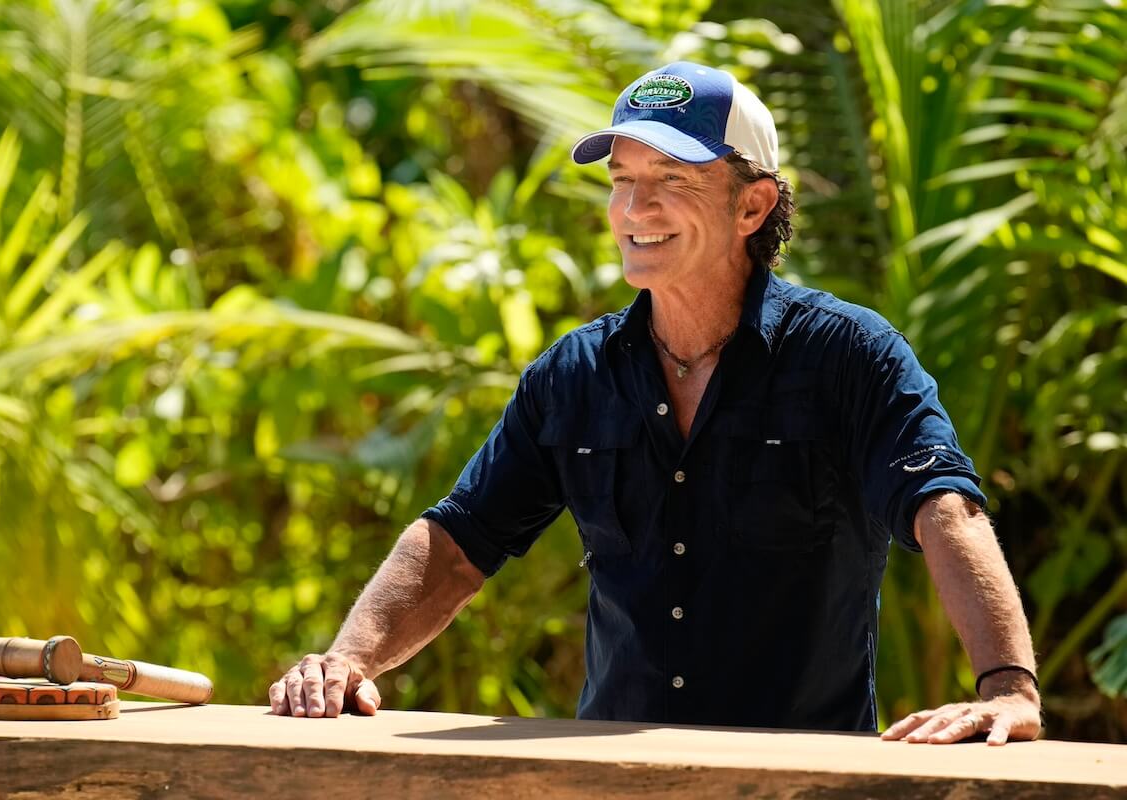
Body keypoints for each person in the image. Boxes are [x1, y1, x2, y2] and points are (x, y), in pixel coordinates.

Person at [270, 61, 1042, 745]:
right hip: (615, 773)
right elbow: (460, 540)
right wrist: (347, 662)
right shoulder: (574, 374)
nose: (635, 210)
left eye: (671, 181)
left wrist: (1007, 686)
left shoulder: (850, 356)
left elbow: (942, 503)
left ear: (753, 206)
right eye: (622, 182)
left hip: (800, 777)